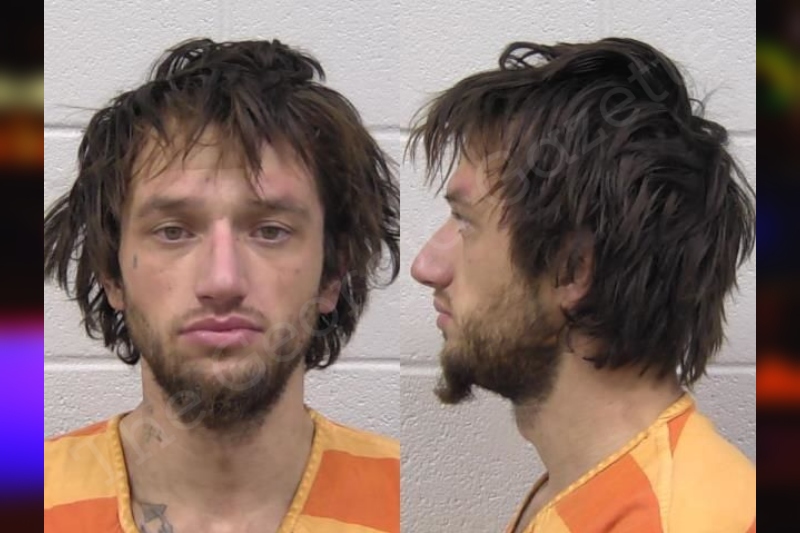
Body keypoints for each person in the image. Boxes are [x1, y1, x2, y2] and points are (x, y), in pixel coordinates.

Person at [44, 38, 400, 533]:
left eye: (270, 231)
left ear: (332, 273)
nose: (222, 281)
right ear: (112, 272)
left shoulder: (400, 502)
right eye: (173, 231)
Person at [409, 37, 756, 533]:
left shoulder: (682, 521)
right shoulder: (587, 492)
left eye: (465, 223)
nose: (426, 265)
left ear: (572, 270)